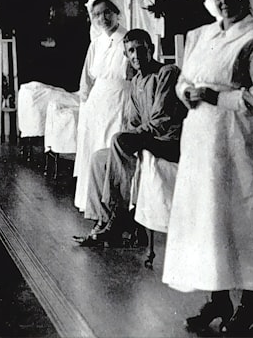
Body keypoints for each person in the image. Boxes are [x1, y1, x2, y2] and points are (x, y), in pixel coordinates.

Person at [163, 0, 253, 336]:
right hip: (201, 142)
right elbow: (184, 80)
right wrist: (188, 93)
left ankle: (249, 306)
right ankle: (218, 299)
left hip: (238, 144)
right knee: (207, 221)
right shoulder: (201, 36)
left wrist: (217, 96)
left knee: (241, 220)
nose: (223, 0)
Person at [76, 28, 186, 246]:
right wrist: (132, 135)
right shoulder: (136, 82)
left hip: (169, 141)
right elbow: (132, 122)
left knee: (119, 140)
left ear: (151, 49)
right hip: (149, 139)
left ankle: (119, 218)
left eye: (140, 50)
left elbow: (162, 119)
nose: (136, 56)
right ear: (125, 55)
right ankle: (104, 220)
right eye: (131, 52)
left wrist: (131, 137)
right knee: (99, 157)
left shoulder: (166, 73)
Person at [72, 0, 132, 214]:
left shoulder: (127, 40)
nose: (102, 18)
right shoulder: (96, 43)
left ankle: (114, 211)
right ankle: (96, 209)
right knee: (94, 153)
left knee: (110, 154)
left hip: (119, 104)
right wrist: (85, 106)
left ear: (117, 13)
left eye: (107, 12)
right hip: (97, 107)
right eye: (97, 14)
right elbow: (87, 78)